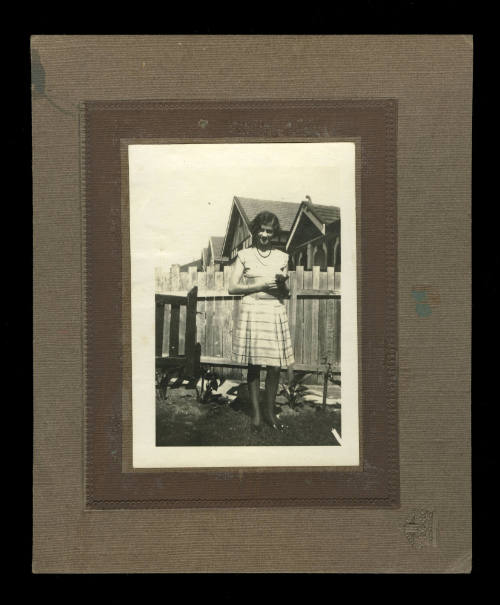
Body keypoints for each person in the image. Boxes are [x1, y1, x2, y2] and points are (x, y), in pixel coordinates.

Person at [228, 211, 295, 432]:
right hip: (253, 311)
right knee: (254, 364)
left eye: (269, 231)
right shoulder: (244, 255)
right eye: (261, 230)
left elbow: (286, 293)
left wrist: (282, 283)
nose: (265, 234)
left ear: (274, 233)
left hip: (274, 311)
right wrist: (259, 286)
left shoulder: (282, 257)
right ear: (255, 231)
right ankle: (256, 414)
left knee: (275, 366)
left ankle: (270, 412)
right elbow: (232, 287)